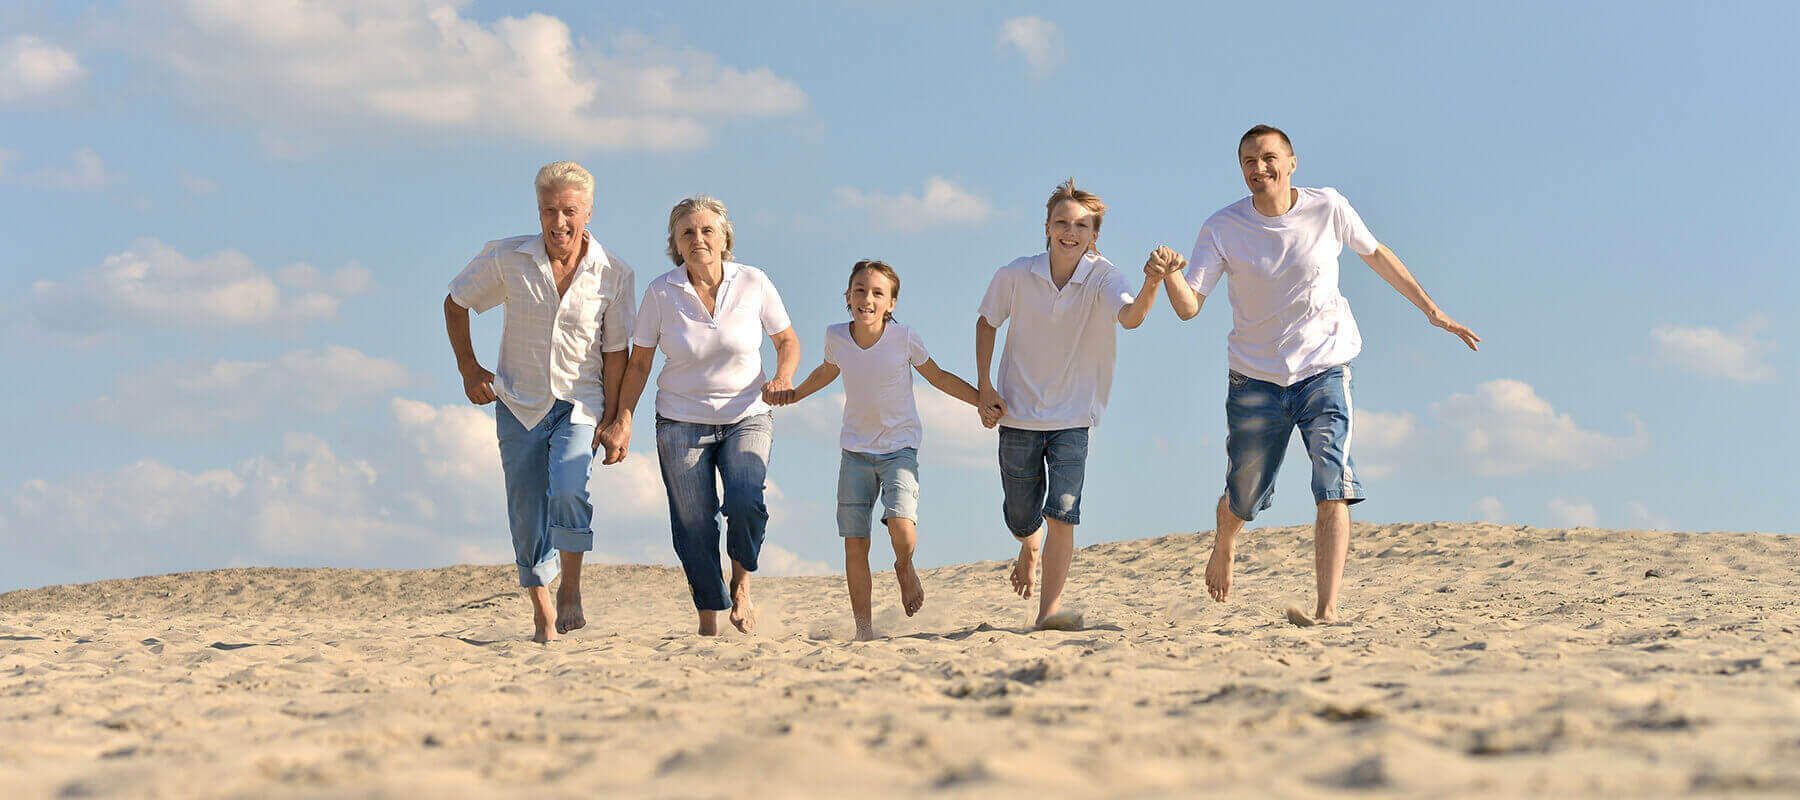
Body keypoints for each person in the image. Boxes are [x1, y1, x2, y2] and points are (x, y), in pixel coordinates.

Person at [1160, 124, 1481, 626]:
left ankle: (1327, 609)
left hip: (1324, 368)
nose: (1259, 169)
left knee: (1333, 479)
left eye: (1269, 158)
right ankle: (1226, 539)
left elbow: (1376, 254)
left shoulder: (1327, 206)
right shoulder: (1222, 228)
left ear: (1291, 163)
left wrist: (1431, 310)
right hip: (1255, 378)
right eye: (1248, 161)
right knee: (1244, 493)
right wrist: (1169, 275)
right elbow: (1189, 306)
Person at [442, 161, 636, 643]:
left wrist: (617, 421)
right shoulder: (508, 258)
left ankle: (570, 587)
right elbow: (455, 301)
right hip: (518, 402)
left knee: (570, 489)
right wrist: (469, 368)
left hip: (579, 404)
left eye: (569, 211)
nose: (558, 222)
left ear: (588, 212)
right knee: (526, 511)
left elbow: (617, 356)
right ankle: (542, 608)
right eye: (549, 210)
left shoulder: (614, 273)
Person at [974, 178, 1170, 630]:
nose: (1070, 231)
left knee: (1062, 510)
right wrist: (985, 386)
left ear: (1093, 236)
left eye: (1081, 225)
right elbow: (986, 323)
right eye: (1061, 222)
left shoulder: (1104, 275)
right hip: (1017, 413)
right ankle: (1028, 545)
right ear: (1046, 227)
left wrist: (1152, 282)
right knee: (1022, 515)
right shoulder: (1015, 274)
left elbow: (1130, 317)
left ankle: (1047, 614)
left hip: (1074, 415)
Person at [603, 196, 799, 636]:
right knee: (693, 521)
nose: (698, 239)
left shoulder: (754, 282)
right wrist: (623, 418)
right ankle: (709, 618)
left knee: (746, 500)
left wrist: (783, 376)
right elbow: (638, 364)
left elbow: (787, 341)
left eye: (707, 230)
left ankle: (742, 587)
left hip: (747, 412)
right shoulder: (661, 291)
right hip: (680, 420)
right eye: (687, 232)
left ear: (724, 236)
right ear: (675, 242)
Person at [768, 259, 981, 640]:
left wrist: (981, 400)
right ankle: (863, 631)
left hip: (899, 447)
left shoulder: (904, 339)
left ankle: (904, 566)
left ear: (891, 304)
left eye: (878, 293)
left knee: (901, 525)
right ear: (848, 297)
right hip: (855, 452)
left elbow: (939, 377)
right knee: (855, 543)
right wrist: (795, 394)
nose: (867, 298)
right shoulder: (836, 336)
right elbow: (827, 370)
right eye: (860, 290)